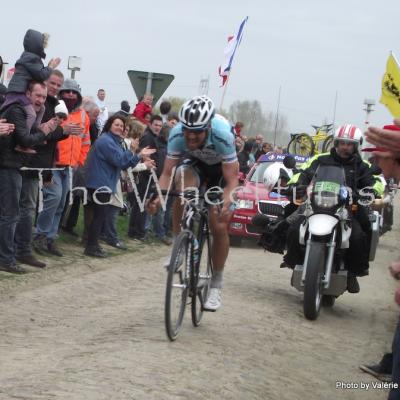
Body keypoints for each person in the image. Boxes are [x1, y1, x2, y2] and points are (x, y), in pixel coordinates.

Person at [150, 95, 239, 311]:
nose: (190, 136)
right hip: (196, 165)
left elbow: (232, 180)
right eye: (187, 130)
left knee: (218, 224)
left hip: (220, 172)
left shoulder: (222, 134)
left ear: (208, 127)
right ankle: (179, 244)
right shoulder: (178, 133)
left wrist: (227, 198)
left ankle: (216, 283)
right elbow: (167, 172)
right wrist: (158, 197)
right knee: (182, 184)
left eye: (197, 131)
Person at [282, 124, 384, 293]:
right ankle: (294, 263)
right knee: (294, 228)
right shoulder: (320, 159)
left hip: (348, 207)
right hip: (318, 204)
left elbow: (376, 181)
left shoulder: (362, 164)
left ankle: (353, 272)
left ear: (356, 145)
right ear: (335, 143)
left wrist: (372, 191)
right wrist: (296, 185)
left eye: (349, 143)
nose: (345, 146)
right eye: (342, 142)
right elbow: (303, 173)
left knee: (359, 235)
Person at [0, 81, 54, 273]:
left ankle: (14, 254)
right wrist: (43, 132)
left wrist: (44, 131)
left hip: (14, 165)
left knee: (13, 213)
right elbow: (25, 139)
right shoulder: (18, 110)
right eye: (37, 95)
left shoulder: (29, 113)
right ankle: (6, 259)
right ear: (28, 94)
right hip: (7, 165)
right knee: (11, 214)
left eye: (44, 97)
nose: (40, 100)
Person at [83, 115, 155, 257]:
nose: (120, 127)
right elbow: (121, 161)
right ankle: (91, 247)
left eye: (122, 126)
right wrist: (135, 151)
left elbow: (126, 163)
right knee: (99, 216)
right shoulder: (106, 141)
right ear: (110, 125)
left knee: (100, 216)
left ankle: (92, 245)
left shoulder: (114, 141)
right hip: (100, 182)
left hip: (103, 182)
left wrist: (138, 154)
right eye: (117, 124)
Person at [33, 79, 90, 257]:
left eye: (74, 92)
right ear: (61, 94)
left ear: (79, 96)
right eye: (67, 92)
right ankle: (39, 236)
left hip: (71, 167)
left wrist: (80, 160)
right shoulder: (56, 110)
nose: (71, 95)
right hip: (55, 164)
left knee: (61, 204)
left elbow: (86, 141)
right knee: (53, 199)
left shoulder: (83, 116)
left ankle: (50, 238)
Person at [3, 29, 60, 154]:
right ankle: (22, 143)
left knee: (42, 109)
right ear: (38, 45)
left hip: (17, 90)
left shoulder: (29, 57)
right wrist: (50, 67)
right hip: (18, 92)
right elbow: (41, 75)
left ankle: (35, 129)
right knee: (32, 114)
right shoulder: (32, 58)